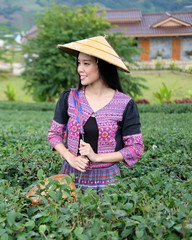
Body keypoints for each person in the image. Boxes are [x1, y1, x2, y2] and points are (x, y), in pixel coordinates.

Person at [47, 36, 144, 192]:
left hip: (108, 183)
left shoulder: (125, 104)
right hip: (69, 180)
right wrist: (69, 156)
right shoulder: (69, 98)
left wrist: (97, 157)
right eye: (79, 63)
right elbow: (54, 134)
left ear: (103, 66)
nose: (80, 69)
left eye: (86, 63)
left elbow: (135, 148)